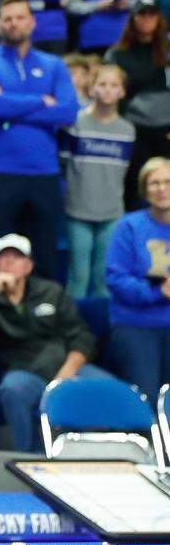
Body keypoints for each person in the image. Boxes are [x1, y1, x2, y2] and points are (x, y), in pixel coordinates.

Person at [0, 233, 107, 452]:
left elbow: (82, 335)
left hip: (65, 367)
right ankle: (27, 455)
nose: (9, 262)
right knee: (11, 389)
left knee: (112, 389)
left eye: (16, 257)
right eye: (3, 257)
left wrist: (68, 370)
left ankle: (101, 454)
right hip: (24, 373)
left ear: (28, 265)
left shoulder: (51, 292)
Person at [0, 0, 79, 282]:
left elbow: (67, 112)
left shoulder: (54, 65)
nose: (13, 23)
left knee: (44, 259)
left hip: (43, 174)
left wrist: (8, 105)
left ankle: (42, 320)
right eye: (7, 18)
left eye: (19, 17)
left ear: (32, 21)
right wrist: (42, 100)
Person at [60, 64, 134, 300]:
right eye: (102, 84)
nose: (108, 90)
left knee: (104, 279)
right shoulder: (75, 123)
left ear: (122, 91)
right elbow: (64, 164)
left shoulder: (127, 130)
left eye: (114, 85)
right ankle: (72, 331)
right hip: (78, 211)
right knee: (78, 278)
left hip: (111, 213)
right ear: (91, 89)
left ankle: (102, 334)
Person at [106, 158, 170, 404]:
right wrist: (158, 293)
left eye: (167, 182)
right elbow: (115, 279)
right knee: (148, 398)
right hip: (136, 324)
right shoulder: (129, 226)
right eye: (154, 183)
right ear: (145, 189)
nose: (161, 188)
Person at [106, 0, 170, 209]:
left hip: (166, 131)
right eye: (142, 13)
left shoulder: (167, 52)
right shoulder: (118, 54)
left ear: (159, 18)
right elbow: (113, 92)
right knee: (135, 187)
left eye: (152, 13)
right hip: (133, 130)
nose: (147, 18)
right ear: (132, 18)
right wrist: (124, 124)